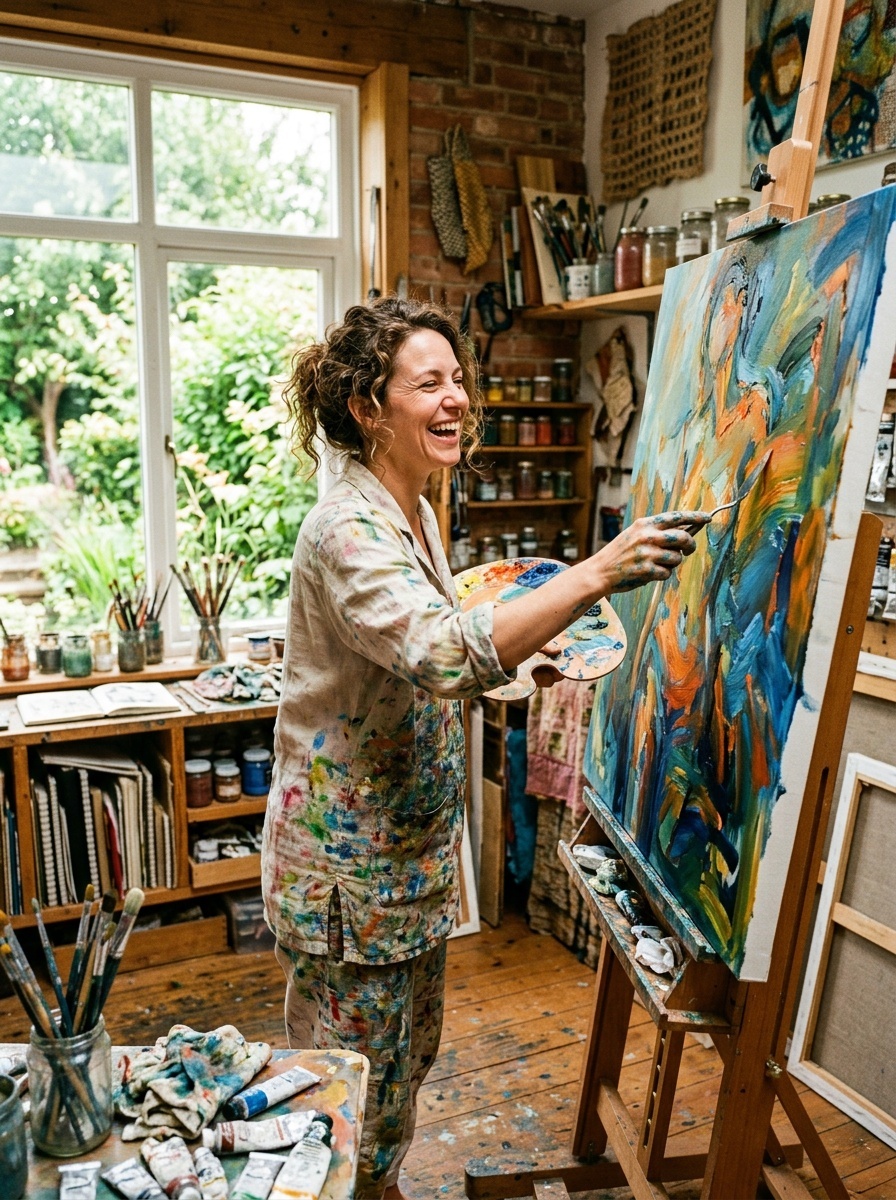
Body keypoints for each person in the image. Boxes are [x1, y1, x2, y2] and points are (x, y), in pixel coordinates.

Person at [261, 296, 707, 1198]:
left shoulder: (414, 507)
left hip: (406, 865)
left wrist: (520, 658)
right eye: (429, 383)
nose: (456, 397)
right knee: (343, 1105)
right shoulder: (348, 526)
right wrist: (597, 573)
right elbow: (437, 650)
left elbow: (440, 643)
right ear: (367, 408)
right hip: (349, 887)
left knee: (398, 1081)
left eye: (458, 377)